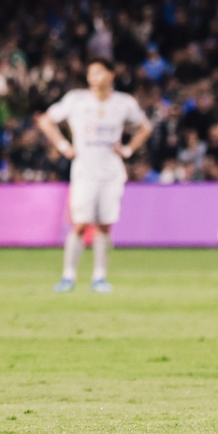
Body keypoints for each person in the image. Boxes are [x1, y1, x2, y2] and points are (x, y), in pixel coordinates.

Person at [35, 58, 152, 293]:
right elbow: (46, 120)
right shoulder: (76, 100)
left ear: (111, 74)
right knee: (79, 224)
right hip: (84, 172)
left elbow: (145, 127)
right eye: (90, 73)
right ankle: (68, 276)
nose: (93, 78)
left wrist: (128, 149)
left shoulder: (123, 103)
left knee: (105, 225)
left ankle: (100, 276)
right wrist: (63, 146)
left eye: (98, 72)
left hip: (111, 173)